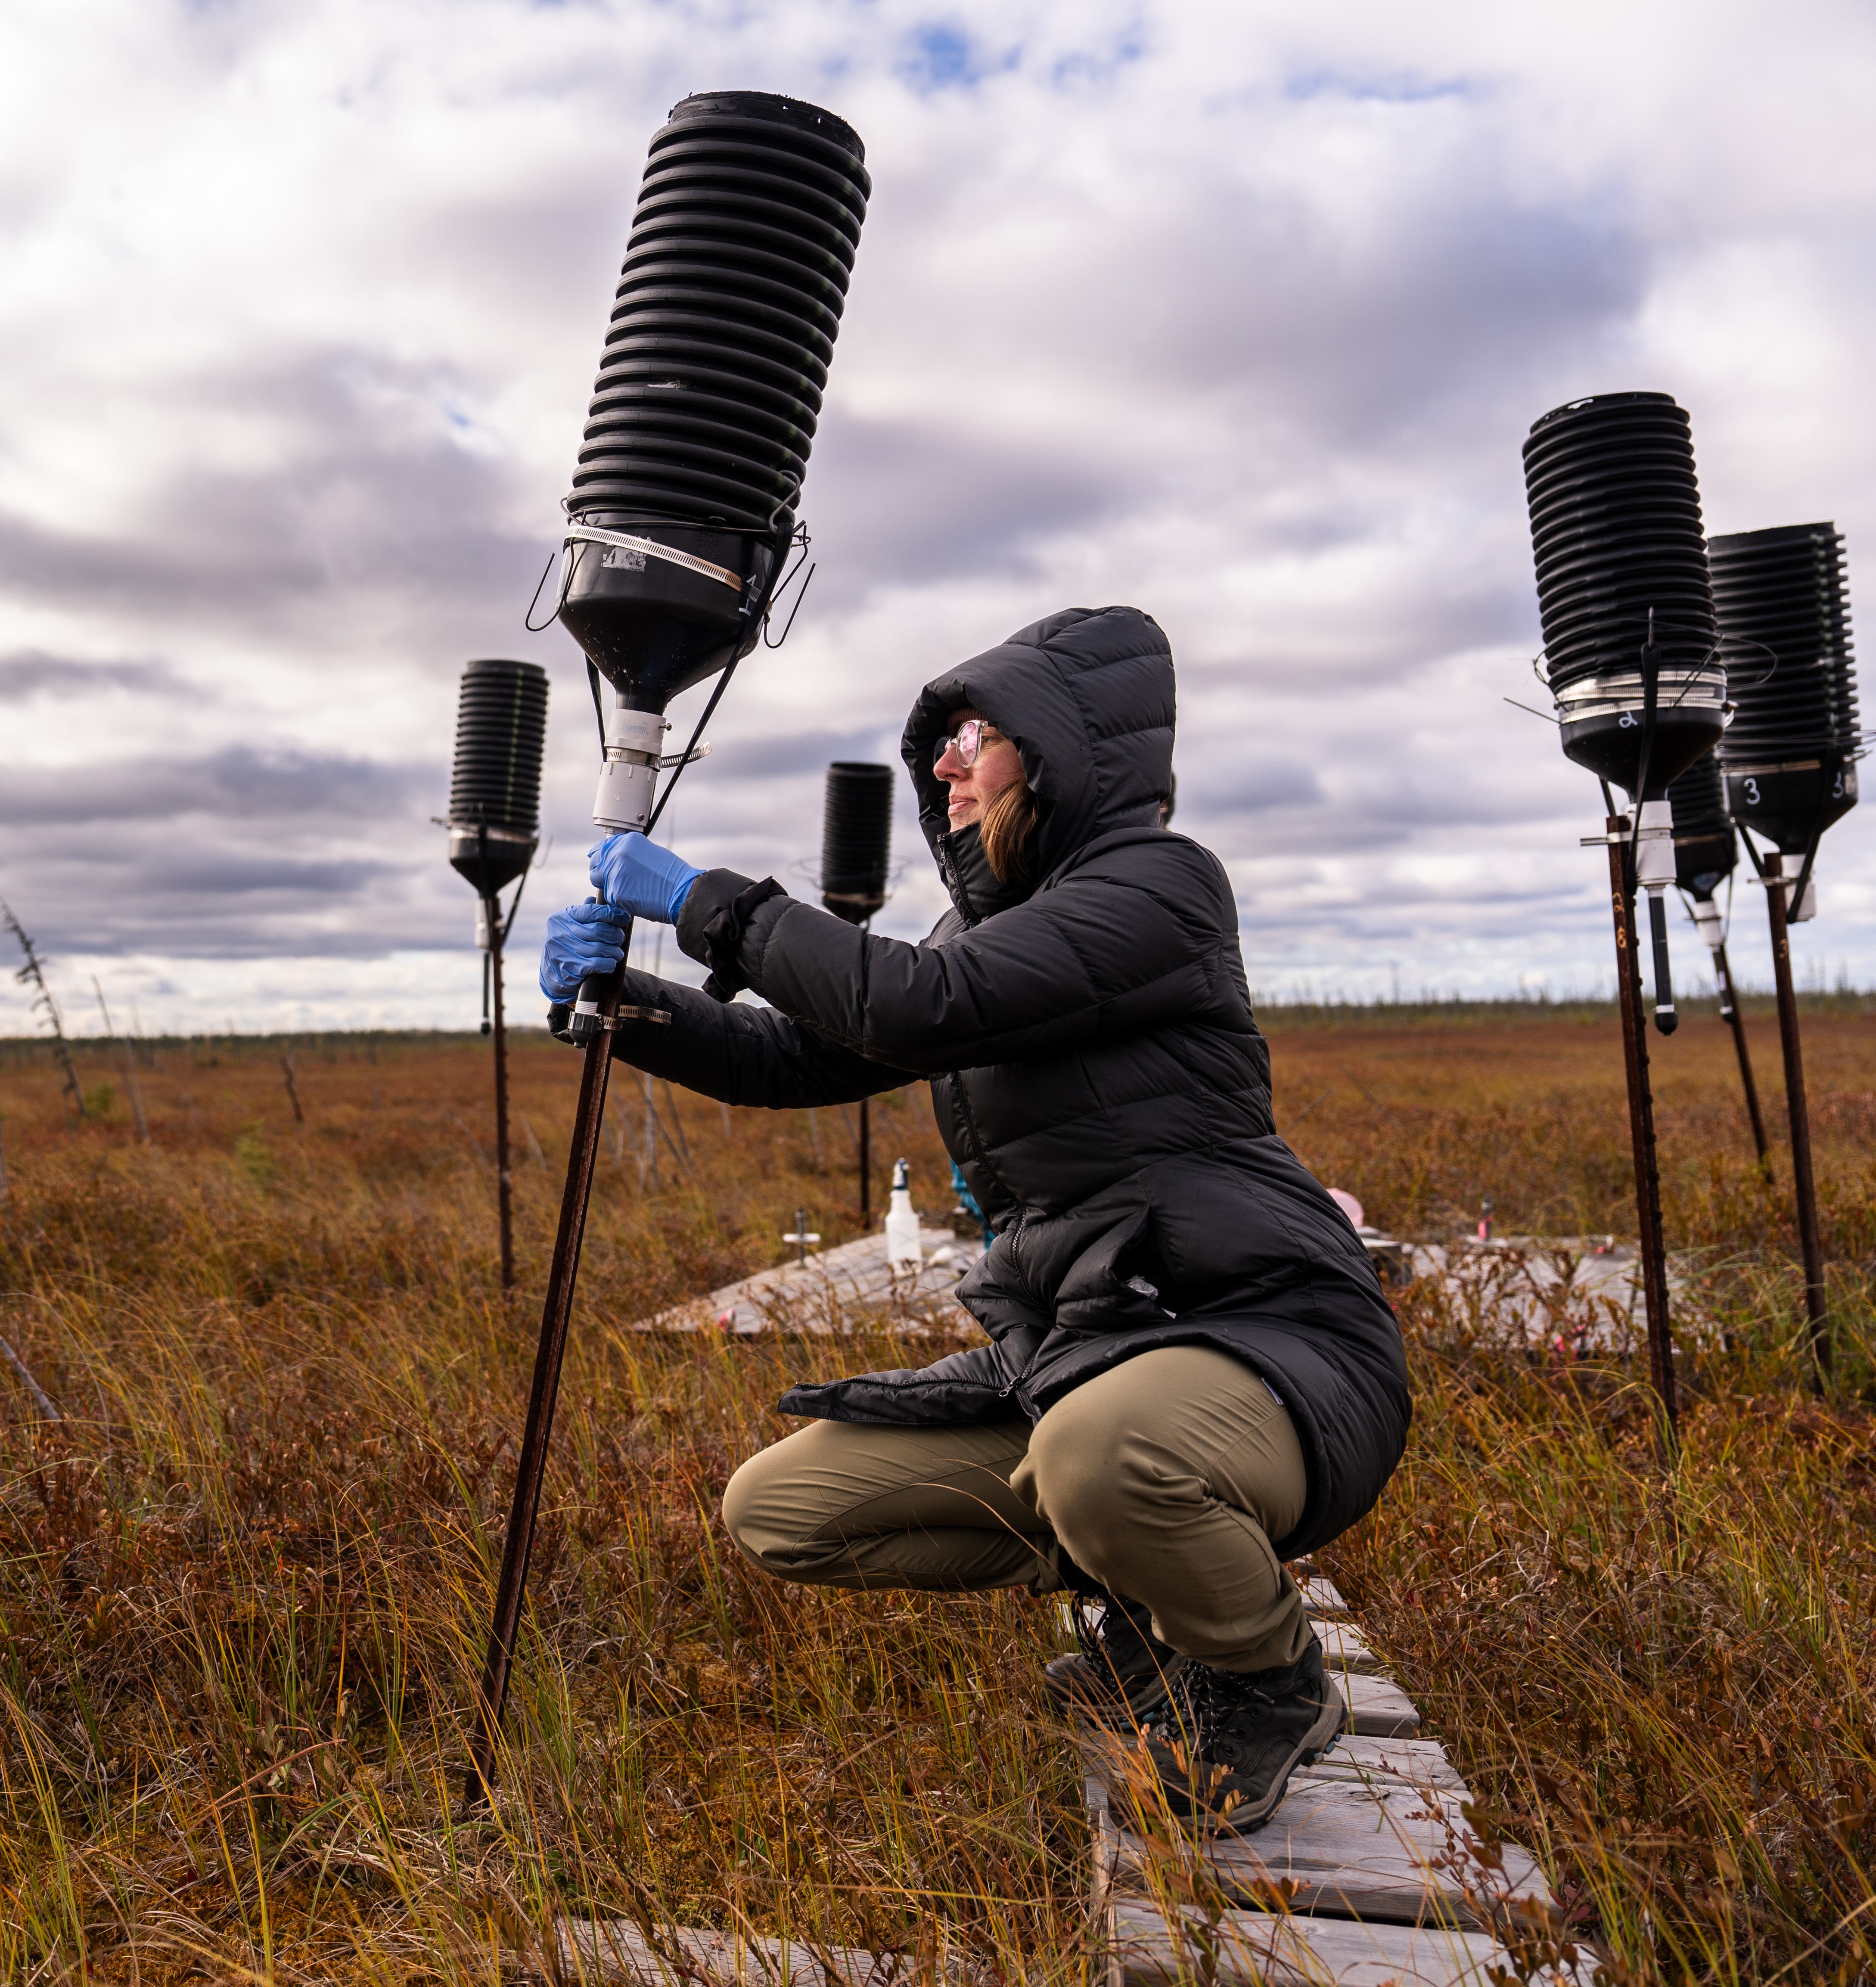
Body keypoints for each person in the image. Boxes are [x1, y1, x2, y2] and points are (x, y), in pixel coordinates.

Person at [539, 605, 1410, 1835]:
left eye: (979, 735)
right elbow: (804, 1055)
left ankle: (1265, 1681)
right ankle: (1154, 1615)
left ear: (1061, 758)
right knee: (786, 1511)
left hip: (1272, 1346)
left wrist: (706, 902)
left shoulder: (1159, 887)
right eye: (941, 742)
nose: (944, 763)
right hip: (1093, 1347)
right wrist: (625, 1004)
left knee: (1104, 1455)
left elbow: (915, 1005)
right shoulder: (982, 933)